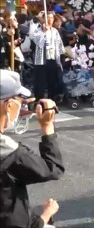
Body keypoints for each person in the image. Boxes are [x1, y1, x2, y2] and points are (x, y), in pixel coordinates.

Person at [0, 69, 64, 228]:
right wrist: (47, 127)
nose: (21, 105)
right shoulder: (9, 153)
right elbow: (53, 168)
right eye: (18, 101)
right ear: (8, 105)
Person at [31, 12, 65, 102]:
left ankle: (51, 101)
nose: (49, 20)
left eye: (51, 18)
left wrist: (60, 60)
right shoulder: (37, 30)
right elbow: (38, 43)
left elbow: (59, 45)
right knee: (40, 82)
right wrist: (44, 32)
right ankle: (39, 101)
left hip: (52, 58)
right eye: (47, 18)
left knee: (52, 82)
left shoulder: (55, 31)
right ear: (43, 19)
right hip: (41, 60)